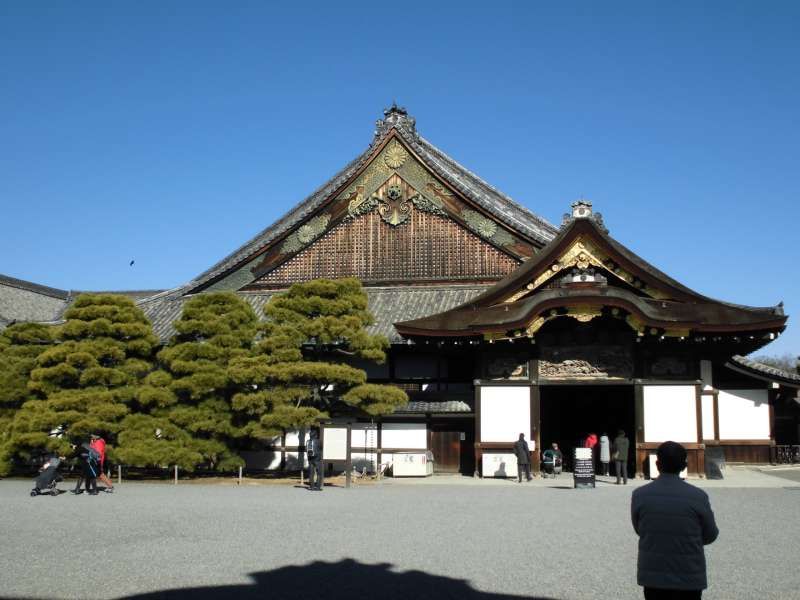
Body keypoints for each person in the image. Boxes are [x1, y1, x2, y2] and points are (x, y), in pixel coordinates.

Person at [631, 441, 719, 599]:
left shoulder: (640, 495)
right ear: (684, 465)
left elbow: (640, 529)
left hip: (653, 575)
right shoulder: (698, 496)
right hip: (689, 573)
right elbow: (710, 535)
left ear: (657, 464)